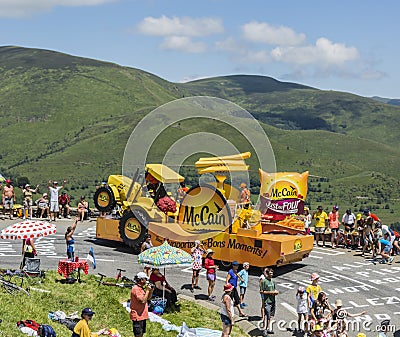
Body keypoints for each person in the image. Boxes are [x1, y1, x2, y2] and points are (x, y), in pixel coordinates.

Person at [130, 271, 154, 337]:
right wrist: (147, 290)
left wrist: (150, 291)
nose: (146, 281)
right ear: (141, 280)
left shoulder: (141, 288)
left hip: (142, 315)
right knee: (138, 335)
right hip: (137, 316)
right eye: (145, 279)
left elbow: (147, 298)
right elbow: (143, 301)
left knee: (142, 333)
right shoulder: (136, 289)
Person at [260, 267, 278, 336]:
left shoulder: (272, 281)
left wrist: (275, 292)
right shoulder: (264, 281)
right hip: (267, 301)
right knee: (267, 315)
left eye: (272, 273)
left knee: (270, 316)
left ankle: (268, 328)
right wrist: (269, 292)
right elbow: (261, 291)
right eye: (270, 273)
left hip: (273, 301)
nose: (272, 274)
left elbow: (273, 290)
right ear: (267, 274)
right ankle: (264, 329)